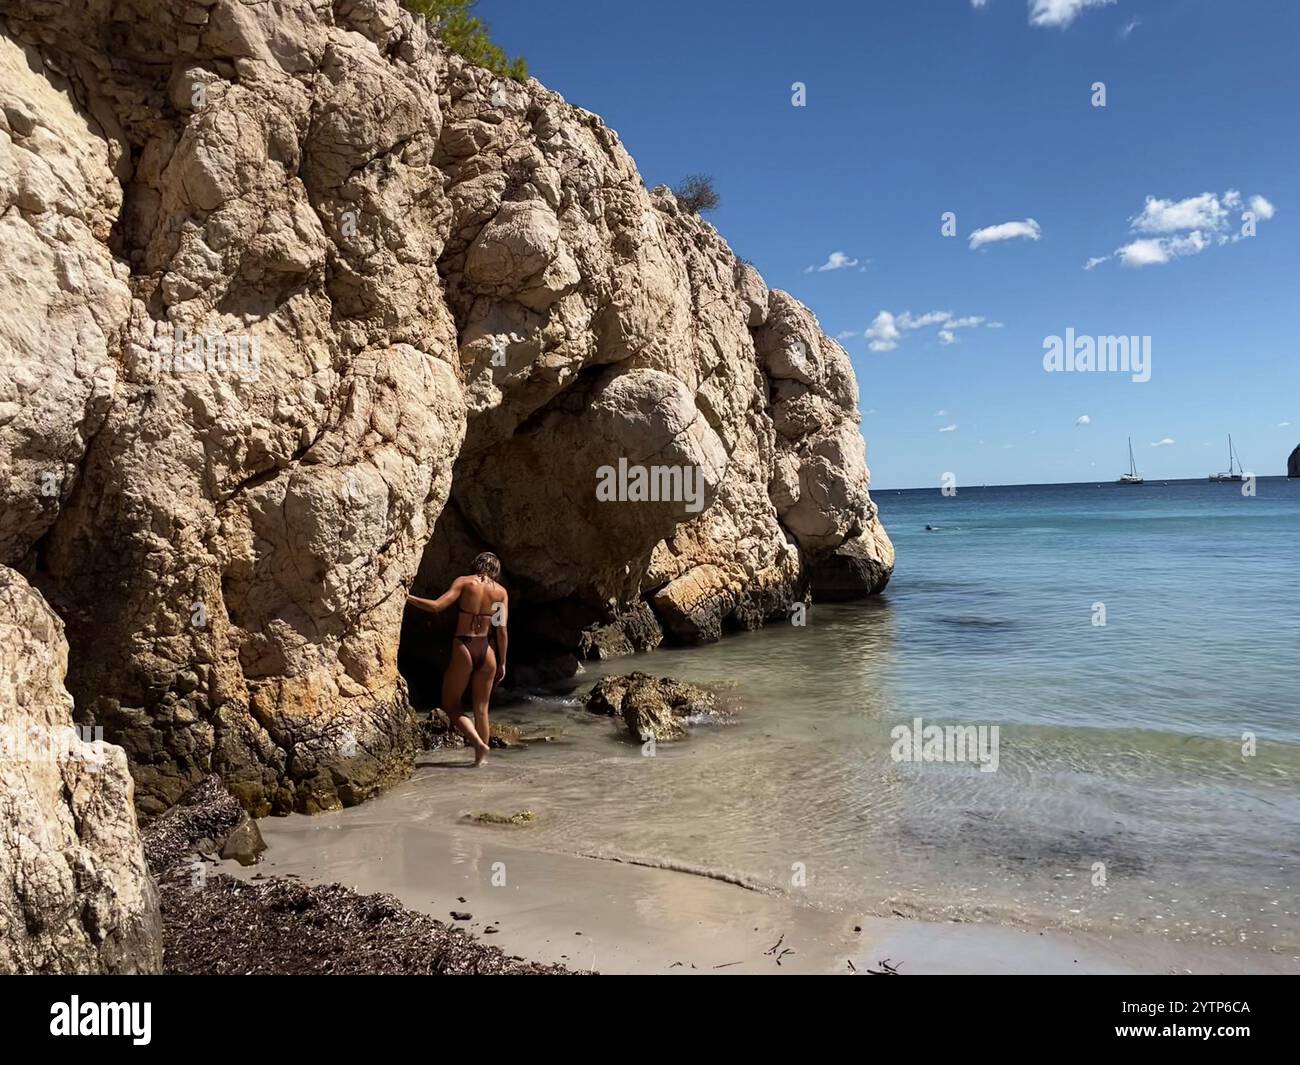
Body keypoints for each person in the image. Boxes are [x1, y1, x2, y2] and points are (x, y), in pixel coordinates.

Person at [406, 552, 508, 766]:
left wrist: (408, 597)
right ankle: (481, 761)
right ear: (496, 570)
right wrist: (502, 662)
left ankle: (477, 742)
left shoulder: (464, 582)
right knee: (482, 709)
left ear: (476, 564)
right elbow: (501, 631)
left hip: (465, 645)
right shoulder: (501, 593)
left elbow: (436, 606)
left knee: (450, 705)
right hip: (487, 651)